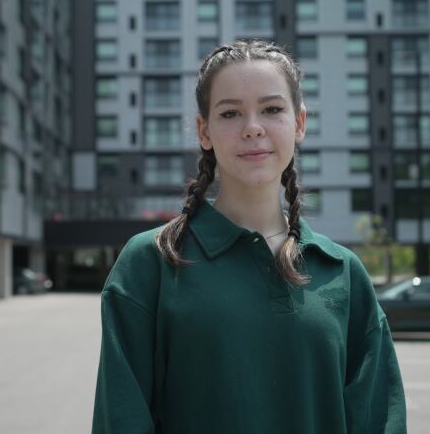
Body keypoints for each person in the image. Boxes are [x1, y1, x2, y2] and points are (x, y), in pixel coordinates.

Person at [91, 40, 407, 434]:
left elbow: (378, 421)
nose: (253, 127)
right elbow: (121, 419)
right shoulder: (151, 262)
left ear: (300, 123)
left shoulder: (343, 272)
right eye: (230, 113)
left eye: (272, 109)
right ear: (204, 131)